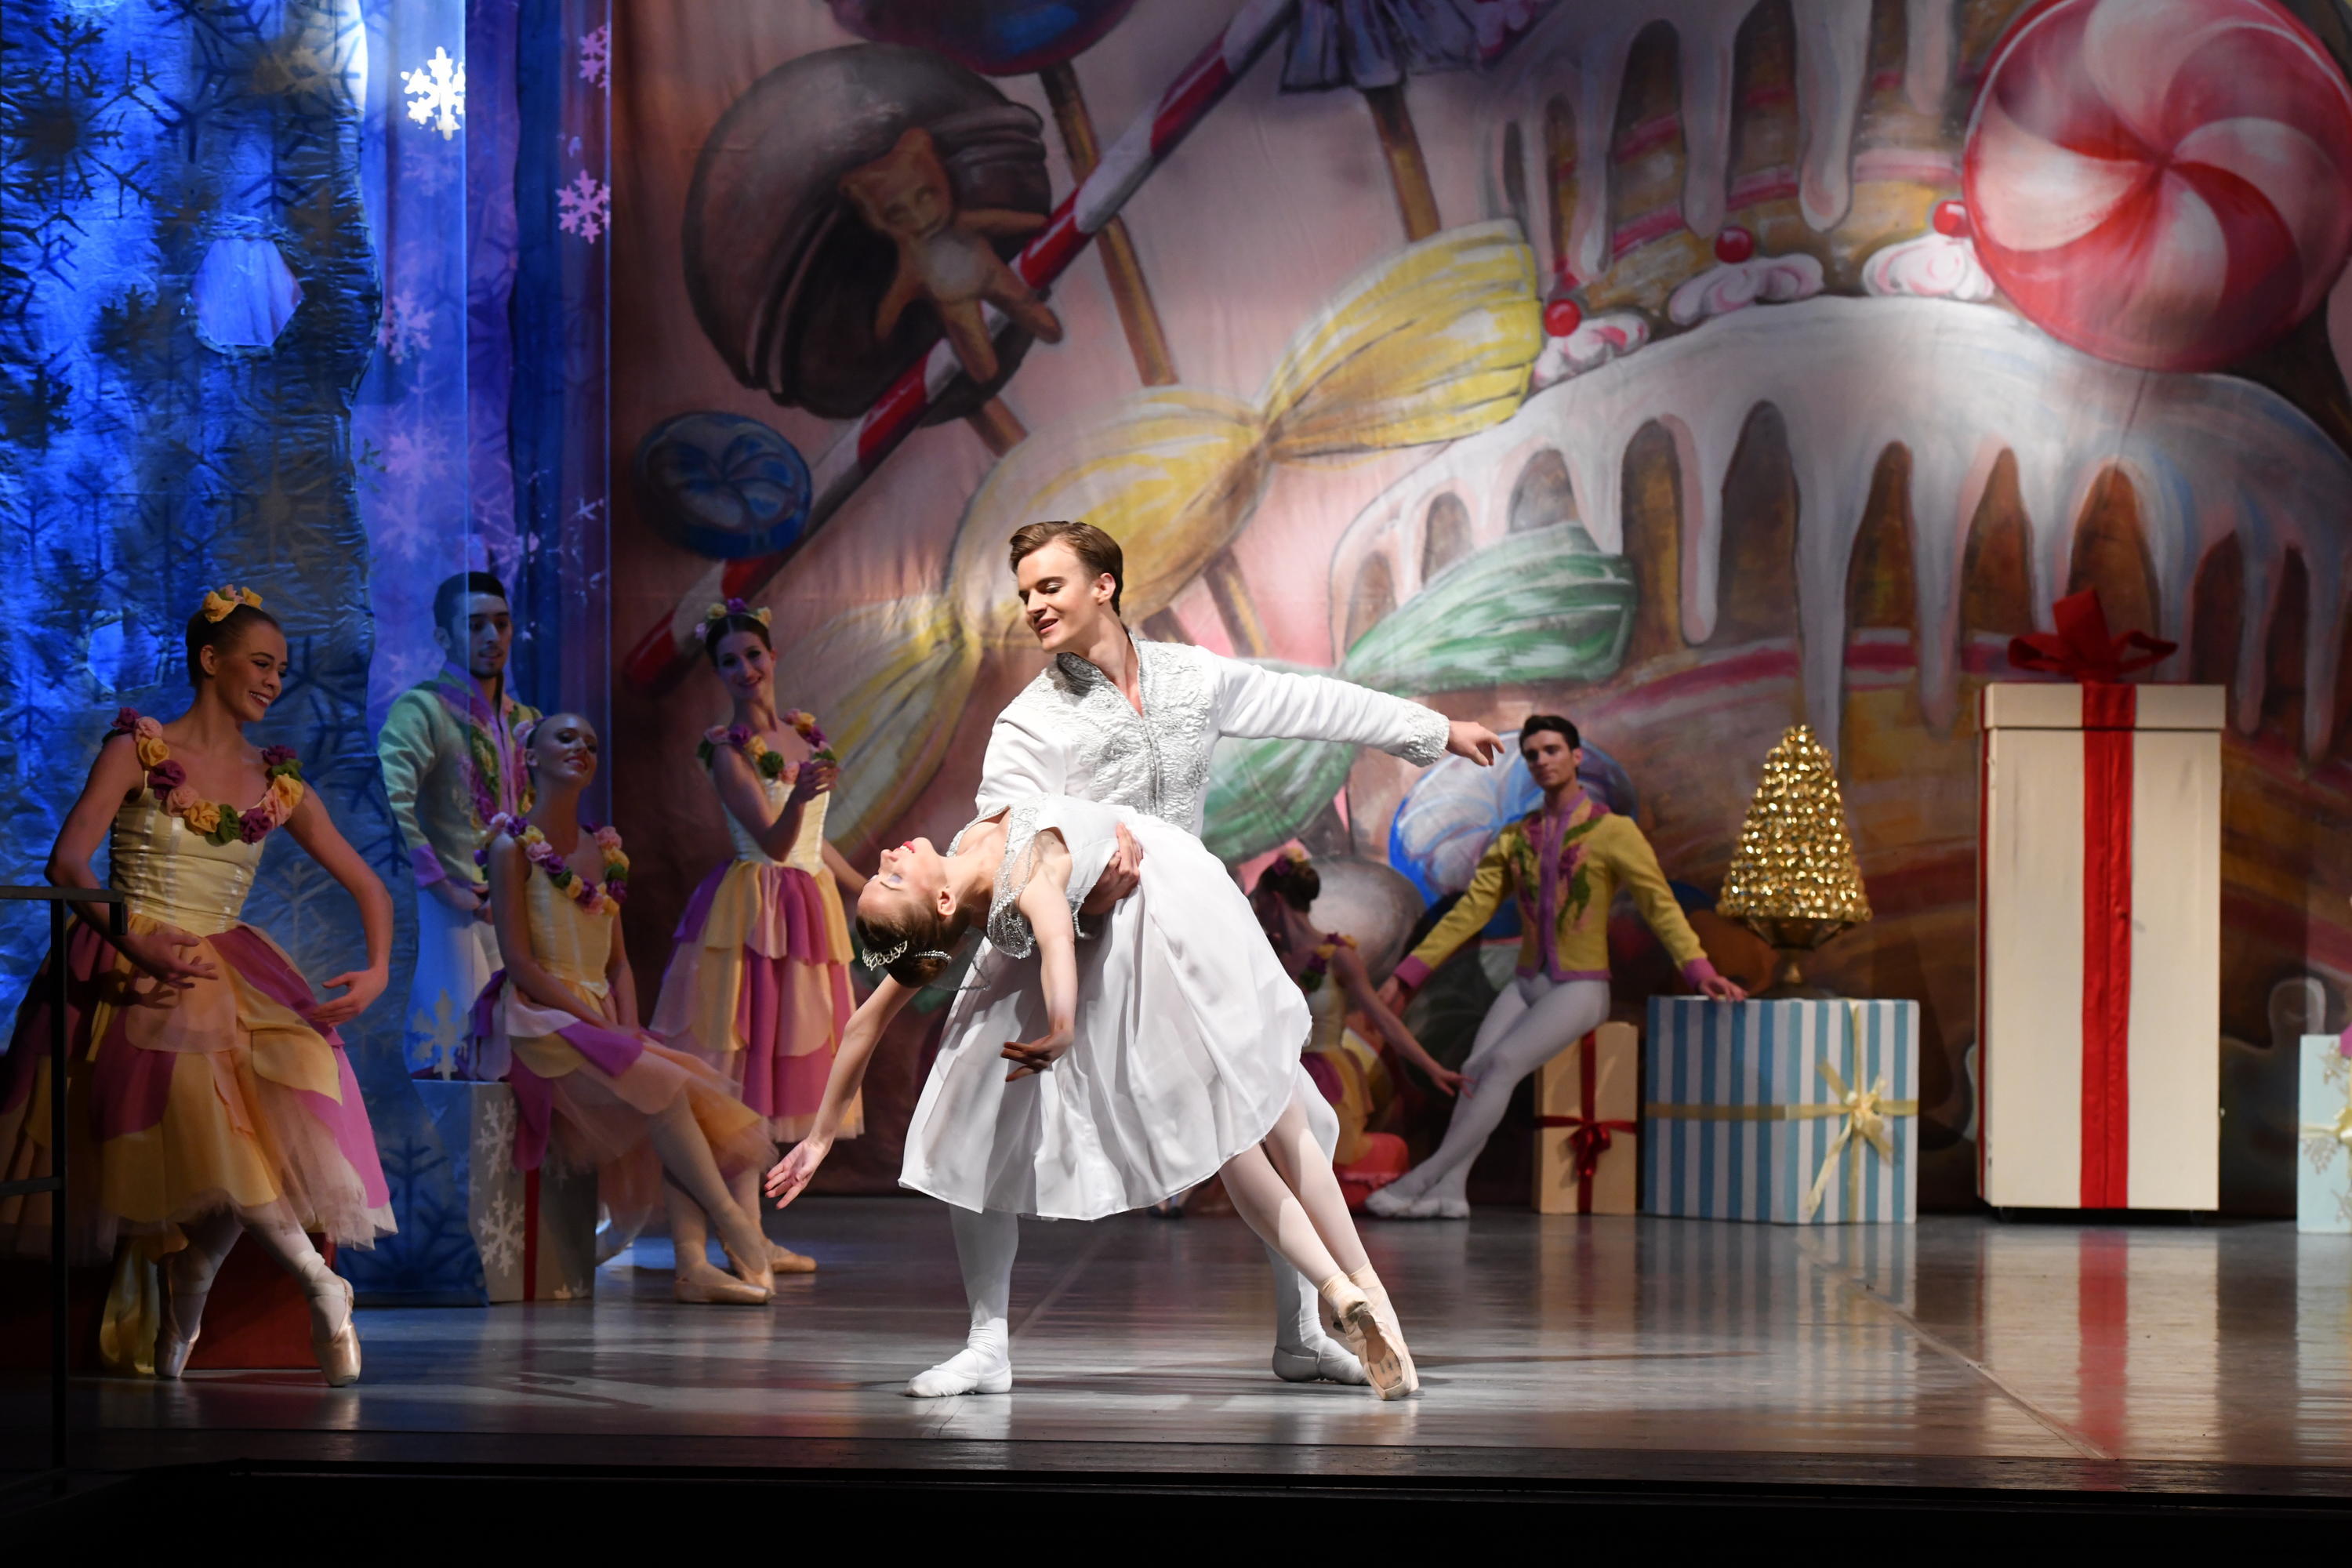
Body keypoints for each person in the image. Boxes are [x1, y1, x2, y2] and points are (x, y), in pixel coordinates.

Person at [790, 519, 1501, 1395]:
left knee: (1290, 1122)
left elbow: (1312, 703)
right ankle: (987, 1342)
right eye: (1024, 593)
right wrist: (1079, 894)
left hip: (1185, 933)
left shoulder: (1190, 678)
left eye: (1050, 586)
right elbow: (1006, 840)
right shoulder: (1030, 719)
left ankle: (1305, 1331)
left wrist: (1431, 730)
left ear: (1105, 585)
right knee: (976, 1123)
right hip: (1071, 935)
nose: (1033, 605)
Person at [771, 794, 1421, 1399]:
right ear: (942, 903)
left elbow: (871, 1021)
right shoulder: (1015, 881)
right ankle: (1344, 1294)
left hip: (1160, 903)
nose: (887, 856)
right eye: (891, 878)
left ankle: (1332, 1302)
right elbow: (1049, 940)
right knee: (1233, 1132)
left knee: (1261, 1124)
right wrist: (1062, 1025)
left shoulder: (968, 858)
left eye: (883, 874)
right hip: (1134, 936)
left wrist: (821, 1138)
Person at [0, 588, 394, 1382]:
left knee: (289, 1080)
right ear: (211, 661)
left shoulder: (275, 781)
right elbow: (68, 861)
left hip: (227, 962)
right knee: (198, 1098)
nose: (273, 681)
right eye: (261, 663)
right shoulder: (140, 749)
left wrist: (378, 969)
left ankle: (196, 1274)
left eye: (282, 670)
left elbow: (370, 885)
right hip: (128, 959)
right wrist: (138, 944)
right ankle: (317, 1280)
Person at [1367, 715, 1747, 1219]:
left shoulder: (1613, 832)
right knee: (1477, 1071)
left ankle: (1423, 1178)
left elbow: (1660, 906)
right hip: (1527, 983)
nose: (1542, 761)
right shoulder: (1517, 836)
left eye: (1552, 750)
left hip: (1581, 988)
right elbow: (1471, 911)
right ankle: (1451, 1192)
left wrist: (1700, 971)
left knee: (1502, 1063)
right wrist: (1408, 973)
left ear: (1576, 756)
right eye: (1532, 754)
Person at [480, 713, 780, 1305]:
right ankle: (734, 1224)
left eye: (591, 743)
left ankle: (693, 1265)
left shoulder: (605, 849)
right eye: (566, 737)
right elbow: (521, 963)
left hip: (599, 1022)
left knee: (708, 1107)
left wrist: (626, 1028)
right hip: (538, 1019)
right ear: (531, 756)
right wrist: (601, 1026)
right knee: (666, 1091)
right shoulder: (511, 846)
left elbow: (617, 964)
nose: (581, 747)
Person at [648, 599, 866, 1275]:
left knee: (777, 1072)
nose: (744, 670)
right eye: (728, 662)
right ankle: (737, 1237)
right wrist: (797, 799)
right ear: (718, 673)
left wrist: (863, 886)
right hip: (756, 909)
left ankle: (754, 1236)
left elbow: (813, 843)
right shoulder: (727, 750)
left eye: (752, 655)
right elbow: (774, 844)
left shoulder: (803, 734)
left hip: (806, 910)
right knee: (742, 1074)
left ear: (772, 656)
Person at [379, 572, 540, 1077]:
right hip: (450, 905)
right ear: (443, 636)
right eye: (475, 625)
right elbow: (390, 799)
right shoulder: (422, 708)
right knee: (456, 1045)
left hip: (514, 906)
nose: (492, 637)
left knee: (516, 1049)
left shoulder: (525, 719)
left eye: (501, 623)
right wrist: (440, 884)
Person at [1250, 849, 1461, 1183]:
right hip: (1275, 1071)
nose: (1255, 910)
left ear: (1275, 900)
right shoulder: (1265, 954)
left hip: (1325, 1074)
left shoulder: (1338, 955)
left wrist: (1431, 1067)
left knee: (1322, 1162)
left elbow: (1384, 1019)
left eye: (1258, 901)